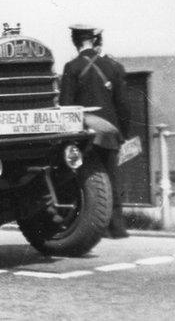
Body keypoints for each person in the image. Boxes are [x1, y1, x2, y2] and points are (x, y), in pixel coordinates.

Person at [59, 24, 131, 238]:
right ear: (95, 40)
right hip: (109, 132)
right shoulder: (112, 67)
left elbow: (65, 106)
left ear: (75, 41)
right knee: (111, 177)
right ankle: (116, 228)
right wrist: (122, 134)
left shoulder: (72, 67)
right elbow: (124, 106)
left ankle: (89, 226)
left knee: (85, 179)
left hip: (84, 134)